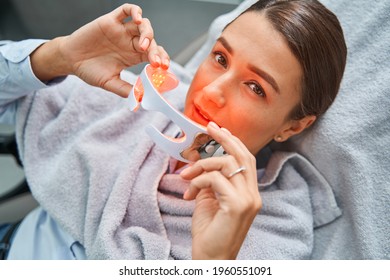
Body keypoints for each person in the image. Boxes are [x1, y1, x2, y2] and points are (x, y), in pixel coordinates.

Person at [0, 0, 347, 260]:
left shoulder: (277, 230)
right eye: (221, 59)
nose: (211, 92)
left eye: (255, 88)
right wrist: (58, 56)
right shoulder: (140, 96)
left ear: (293, 126)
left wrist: (212, 265)